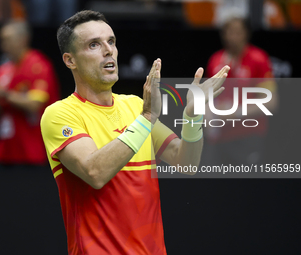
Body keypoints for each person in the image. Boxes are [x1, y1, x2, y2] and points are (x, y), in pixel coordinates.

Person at [40, 10, 229, 255]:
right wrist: (147, 119)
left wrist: (192, 116)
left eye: (111, 41)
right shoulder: (60, 114)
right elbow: (95, 172)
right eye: (94, 45)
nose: (108, 50)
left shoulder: (133, 106)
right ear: (70, 60)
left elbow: (186, 162)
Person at [0, 21, 60, 167]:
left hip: (31, 150)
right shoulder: (3, 69)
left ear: (23, 39)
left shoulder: (38, 65)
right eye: (1, 40)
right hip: (4, 149)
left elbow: (34, 105)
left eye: (7, 39)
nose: (2, 45)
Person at [204, 16, 279, 165]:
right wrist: (209, 122)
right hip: (219, 138)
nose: (233, 37)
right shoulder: (215, 60)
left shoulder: (259, 59)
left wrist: (235, 112)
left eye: (238, 32)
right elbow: (207, 98)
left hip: (248, 136)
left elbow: (271, 102)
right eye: (230, 32)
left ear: (246, 33)